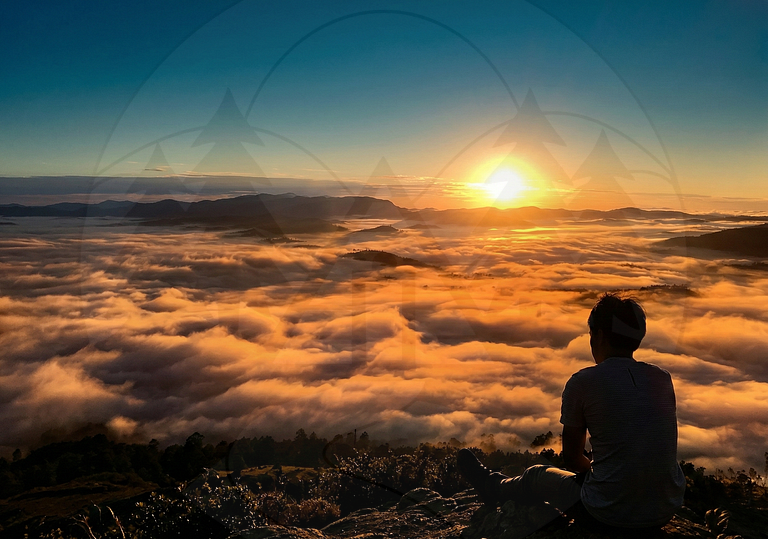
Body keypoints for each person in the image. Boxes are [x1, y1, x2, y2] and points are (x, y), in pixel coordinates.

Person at [457, 293, 685, 533]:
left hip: (606, 514)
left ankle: (492, 486)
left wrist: (601, 475)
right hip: (664, 510)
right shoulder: (662, 378)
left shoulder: (584, 382)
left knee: (536, 475)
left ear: (598, 336)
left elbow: (572, 459)